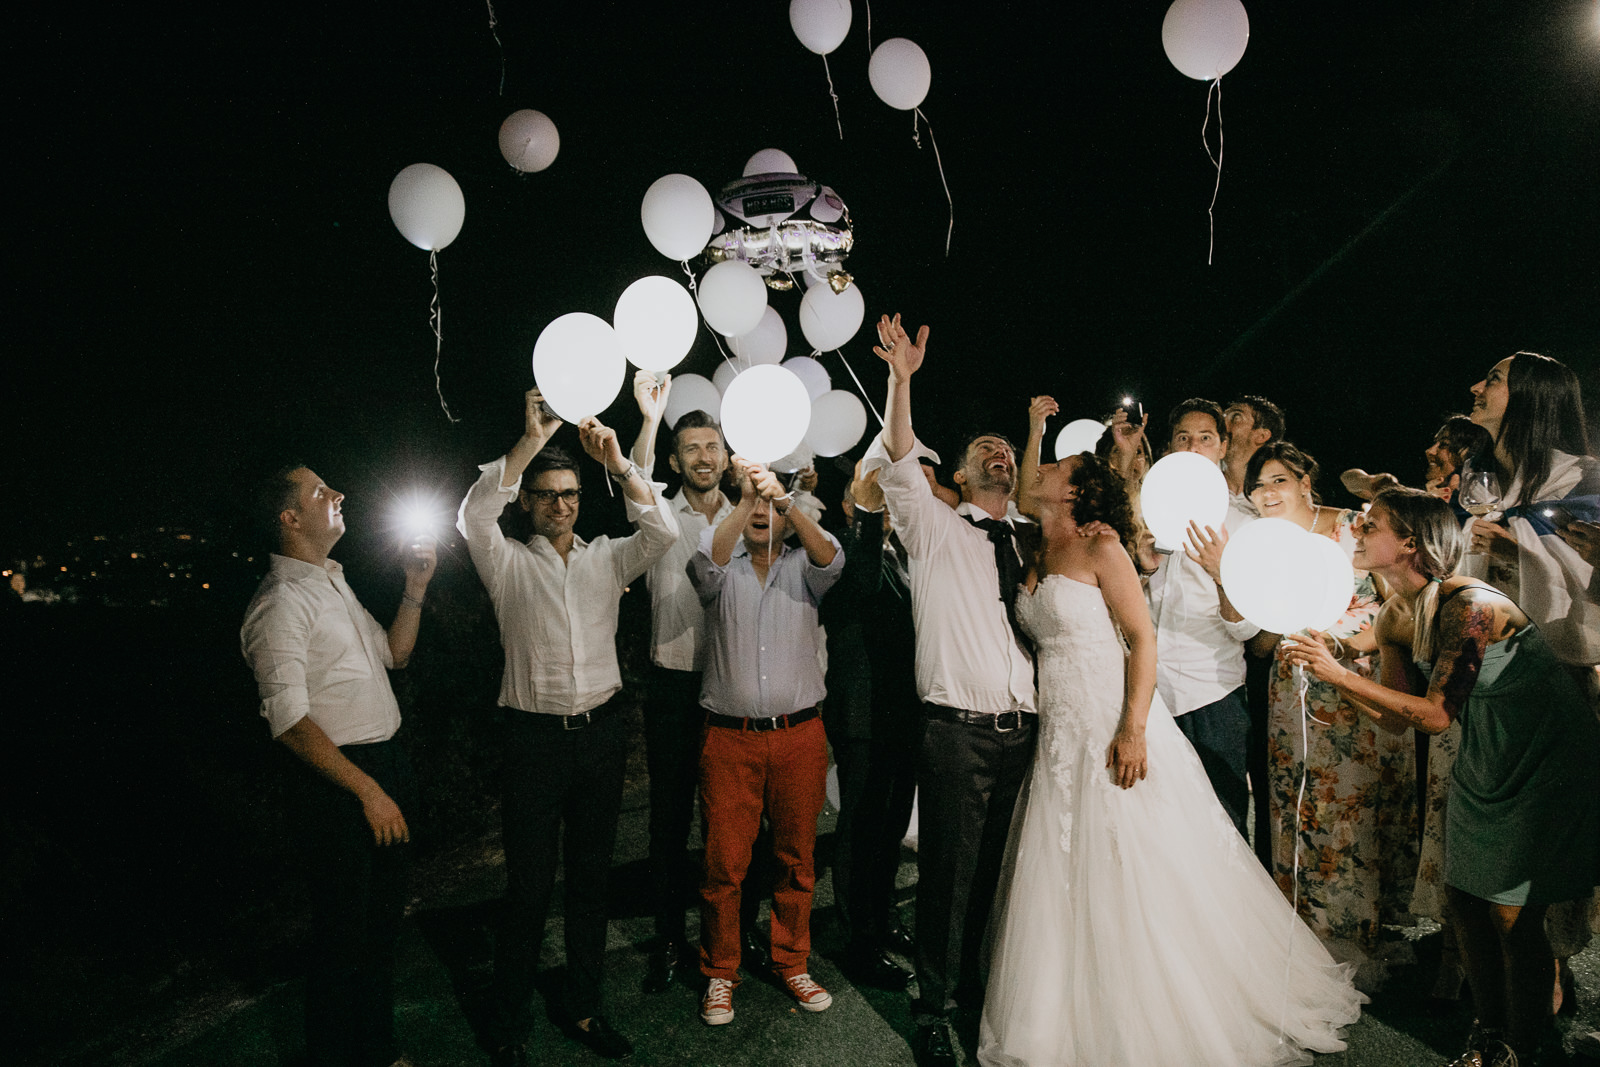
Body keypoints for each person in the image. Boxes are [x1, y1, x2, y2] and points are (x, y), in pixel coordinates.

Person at [977, 436, 1363, 1067]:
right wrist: (1033, 426)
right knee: (1063, 855)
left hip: (1111, 714)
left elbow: (1142, 638)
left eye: (1056, 467)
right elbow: (1023, 499)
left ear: (1075, 491)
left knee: (1135, 853)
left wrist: (1132, 728)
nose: (1040, 470)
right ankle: (1061, 1006)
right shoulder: (1036, 545)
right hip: (1059, 728)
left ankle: (1157, 1002)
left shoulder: (1102, 546)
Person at [1284, 488, 1600, 1067]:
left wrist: (1342, 674)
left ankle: (1526, 1049)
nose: (1357, 532)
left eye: (1372, 525)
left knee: (1512, 912)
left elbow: (1434, 714)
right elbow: (1396, 720)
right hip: (1488, 755)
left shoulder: (1470, 605)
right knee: (1464, 902)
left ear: (1410, 541)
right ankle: (1489, 1037)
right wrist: (1331, 675)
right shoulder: (1394, 615)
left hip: (1547, 756)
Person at [457, 389, 678, 1065]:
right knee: (528, 888)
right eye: (548, 495)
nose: (561, 505)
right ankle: (509, 1023)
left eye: (571, 494)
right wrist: (529, 441)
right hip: (533, 741)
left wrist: (618, 463)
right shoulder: (505, 561)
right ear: (527, 502)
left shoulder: (607, 556)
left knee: (590, 881)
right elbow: (471, 515)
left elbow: (663, 532)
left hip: (602, 735)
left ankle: (583, 1006)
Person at [862, 313, 1039, 1067]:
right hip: (956, 732)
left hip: (1025, 734)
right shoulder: (935, 530)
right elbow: (902, 459)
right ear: (959, 476)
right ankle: (932, 1007)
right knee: (948, 875)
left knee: (1000, 877)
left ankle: (977, 991)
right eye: (984, 449)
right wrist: (901, 380)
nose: (1000, 453)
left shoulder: (1030, 539)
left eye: (1008, 449)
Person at [241, 464, 436, 1067]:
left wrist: (415, 586)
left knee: (380, 933)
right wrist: (367, 792)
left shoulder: (333, 582)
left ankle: (378, 1050)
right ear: (290, 518)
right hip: (340, 783)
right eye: (320, 491)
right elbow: (289, 722)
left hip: (385, 765)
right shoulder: (279, 603)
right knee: (341, 940)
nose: (339, 494)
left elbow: (395, 654)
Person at [1246, 441, 1418, 990]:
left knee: (1355, 806)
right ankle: (1305, 933)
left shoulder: (1353, 527)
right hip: (1292, 689)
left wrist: (1343, 646)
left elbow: (1399, 606)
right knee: (1298, 806)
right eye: (1257, 484)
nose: (1267, 493)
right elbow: (1261, 643)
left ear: (1304, 482)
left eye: (1278, 479)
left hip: (1359, 684)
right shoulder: (1260, 547)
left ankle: (1360, 930)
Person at [689, 456, 843, 1026]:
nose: (760, 513)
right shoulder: (720, 571)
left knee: (796, 859)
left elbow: (833, 556)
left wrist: (785, 500)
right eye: (750, 504)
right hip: (730, 741)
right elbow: (705, 558)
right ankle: (720, 972)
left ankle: (791, 960)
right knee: (724, 865)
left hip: (799, 735)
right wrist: (749, 496)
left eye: (769, 507)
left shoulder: (805, 567)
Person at [625, 370, 736, 991]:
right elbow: (634, 478)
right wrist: (649, 417)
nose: (703, 456)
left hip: (734, 688)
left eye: (712, 446)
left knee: (730, 821)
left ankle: (728, 935)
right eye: (691, 448)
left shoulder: (749, 514)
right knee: (669, 821)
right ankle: (669, 939)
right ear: (675, 460)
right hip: (673, 687)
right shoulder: (661, 513)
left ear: (726, 455)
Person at [1129, 398, 1259, 838]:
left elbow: (1245, 629)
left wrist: (1223, 575)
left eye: (1205, 438)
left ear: (1223, 447)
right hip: (1148, 692)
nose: (1192, 446)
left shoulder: (1244, 522)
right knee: (1152, 826)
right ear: (1169, 447)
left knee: (1221, 827)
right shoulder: (1144, 513)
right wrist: (1140, 567)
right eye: (1183, 438)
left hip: (1212, 692)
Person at [820, 462, 920, 990]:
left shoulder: (900, 555)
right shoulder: (838, 550)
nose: (884, 507)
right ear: (850, 507)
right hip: (861, 711)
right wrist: (867, 514)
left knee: (891, 826)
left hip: (903, 712)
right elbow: (860, 583)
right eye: (870, 499)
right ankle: (857, 941)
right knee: (860, 830)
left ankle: (883, 918)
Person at [1223, 394, 1286, 508]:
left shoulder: (1278, 497)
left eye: (1235, 418)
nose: (1222, 425)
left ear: (1261, 436)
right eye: (1223, 417)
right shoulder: (1199, 477)